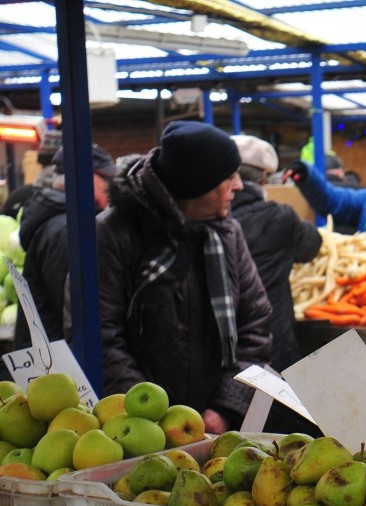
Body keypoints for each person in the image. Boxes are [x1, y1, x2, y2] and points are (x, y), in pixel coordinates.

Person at [95, 121, 272, 434]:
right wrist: (149, 417)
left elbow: (254, 326)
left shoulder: (228, 234)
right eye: (228, 176)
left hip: (214, 428)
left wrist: (224, 408)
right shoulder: (114, 234)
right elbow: (101, 335)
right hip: (133, 430)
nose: (239, 186)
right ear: (196, 185)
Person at [230, 134, 323, 436]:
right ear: (264, 177)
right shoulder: (278, 216)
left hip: (225, 344)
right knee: (280, 429)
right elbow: (311, 245)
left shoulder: (209, 218)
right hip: (272, 340)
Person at [15, 143, 115, 349]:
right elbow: (74, 311)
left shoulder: (63, 222)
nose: (110, 190)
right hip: (57, 364)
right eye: (105, 181)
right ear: (86, 179)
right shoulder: (67, 230)